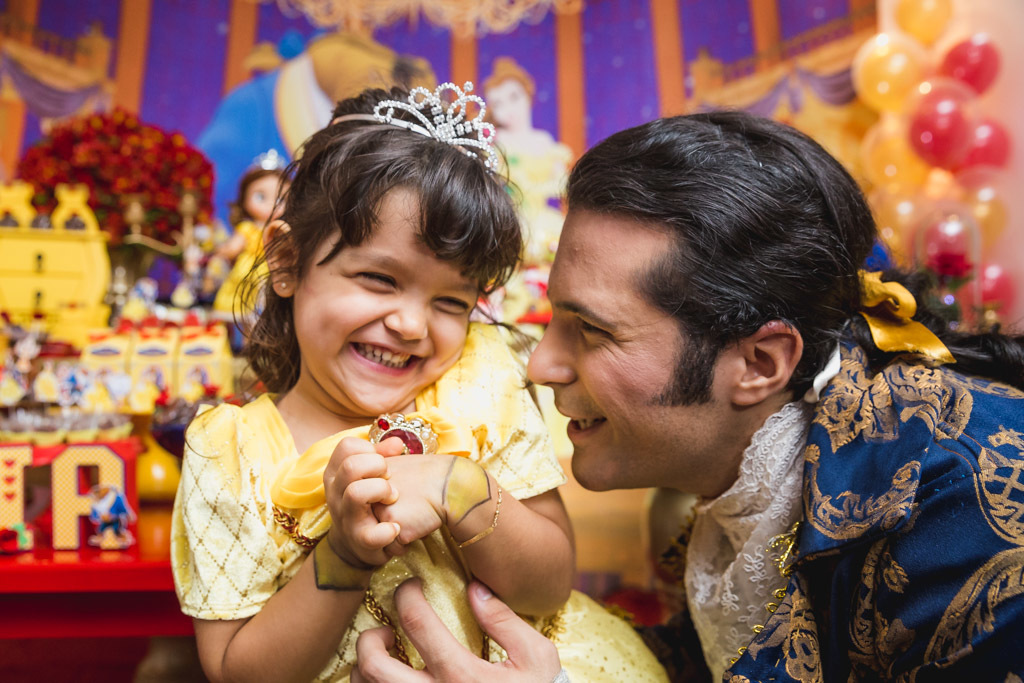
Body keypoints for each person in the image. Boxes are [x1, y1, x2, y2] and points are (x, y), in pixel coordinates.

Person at [351, 110, 1024, 682]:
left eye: (593, 330)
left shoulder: (963, 513)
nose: (544, 365)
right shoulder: (750, 486)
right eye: (554, 318)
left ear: (760, 363)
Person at [171, 84, 666, 683]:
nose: (411, 325)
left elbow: (549, 584)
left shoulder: (479, 382)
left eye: (451, 301)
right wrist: (345, 555)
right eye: (379, 279)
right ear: (286, 261)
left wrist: (460, 487)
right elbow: (236, 670)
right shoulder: (228, 454)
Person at [210, 151, 288, 318]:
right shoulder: (248, 228)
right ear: (245, 198)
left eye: (280, 199)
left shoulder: (281, 229)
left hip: (273, 275)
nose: (271, 205)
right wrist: (222, 251)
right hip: (249, 275)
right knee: (245, 310)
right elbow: (234, 248)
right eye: (261, 197)